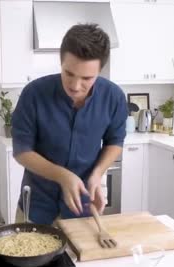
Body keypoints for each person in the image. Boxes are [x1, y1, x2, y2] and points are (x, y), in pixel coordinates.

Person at [11, 23, 128, 225]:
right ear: (61, 62)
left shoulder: (114, 97)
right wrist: (63, 176)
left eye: (87, 78)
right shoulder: (34, 94)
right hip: (36, 207)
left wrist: (97, 174)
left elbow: (115, 142)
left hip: (83, 207)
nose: (75, 86)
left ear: (100, 70)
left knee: (76, 258)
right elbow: (22, 151)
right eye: (69, 73)